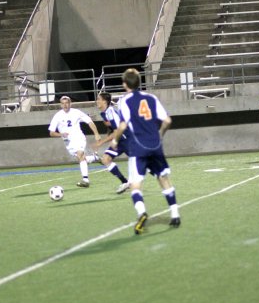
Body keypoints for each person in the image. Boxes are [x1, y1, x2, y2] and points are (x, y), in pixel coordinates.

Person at [111, 68, 181, 234]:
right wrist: (160, 135)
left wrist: (115, 140)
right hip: (155, 145)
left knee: (135, 185)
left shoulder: (125, 101)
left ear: (124, 84)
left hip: (138, 147)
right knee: (163, 179)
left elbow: (122, 125)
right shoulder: (151, 98)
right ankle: (175, 215)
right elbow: (167, 121)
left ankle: (142, 213)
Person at [48, 95, 102, 187]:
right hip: (68, 143)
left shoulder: (76, 112)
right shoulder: (57, 116)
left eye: (67, 103)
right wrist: (61, 134)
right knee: (81, 158)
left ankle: (85, 180)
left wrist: (96, 134)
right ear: (60, 105)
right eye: (63, 103)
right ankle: (95, 158)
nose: (65, 105)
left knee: (80, 154)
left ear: (70, 104)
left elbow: (89, 121)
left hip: (79, 138)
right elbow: (51, 133)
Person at [93, 91, 130, 194]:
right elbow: (110, 127)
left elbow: (117, 130)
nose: (97, 101)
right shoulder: (104, 113)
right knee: (106, 159)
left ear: (104, 102)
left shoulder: (110, 112)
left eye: (99, 99)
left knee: (143, 163)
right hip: (119, 141)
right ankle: (125, 182)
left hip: (127, 140)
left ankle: (162, 178)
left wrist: (101, 142)